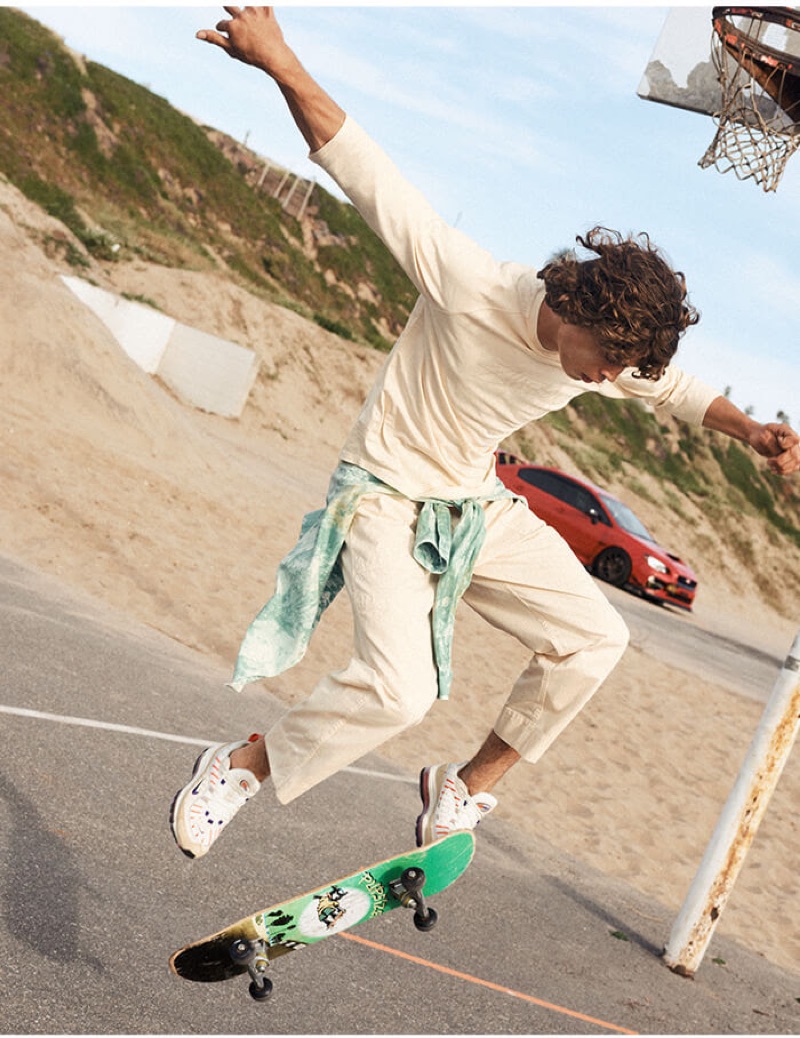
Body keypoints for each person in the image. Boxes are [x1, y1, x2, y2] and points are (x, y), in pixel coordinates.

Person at [170, 6, 800, 860]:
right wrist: (278, 58)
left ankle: (464, 787)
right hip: (387, 496)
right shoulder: (464, 281)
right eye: (607, 359)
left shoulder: (611, 356)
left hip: (473, 504)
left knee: (596, 638)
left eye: (621, 368)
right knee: (399, 691)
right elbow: (362, 166)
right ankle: (242, 764)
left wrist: (751, 430)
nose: (608, 379)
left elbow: (674, 389)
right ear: (574, 307)